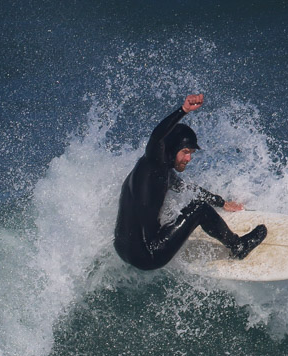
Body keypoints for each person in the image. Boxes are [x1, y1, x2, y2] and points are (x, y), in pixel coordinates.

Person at [114, 93, 267, 270]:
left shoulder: (150, 171)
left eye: (191, 153)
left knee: (180, 209)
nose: (188, 159)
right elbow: (156, 137)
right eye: (185, 152)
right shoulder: (154, 163)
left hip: (122, 249)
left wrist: (222, 203)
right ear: (171, 149)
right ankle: (238, 246)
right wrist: (183, 110)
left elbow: (187, 188)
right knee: (199, 209)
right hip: (149, 254)